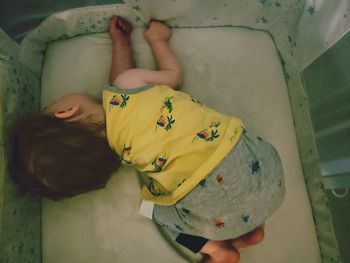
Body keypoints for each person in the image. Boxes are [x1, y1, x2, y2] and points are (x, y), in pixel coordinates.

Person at [9, 16, 285, 263]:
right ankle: (246, 227)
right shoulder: (129, 84)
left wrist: (120, 45)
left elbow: (117, 82)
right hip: (264, 167)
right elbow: (171, 76)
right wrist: (156, 40)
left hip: (225, 216)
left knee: (154, 211)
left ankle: (220, 248)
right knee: (222, 183)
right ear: (64, 111)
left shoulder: (122, 153)